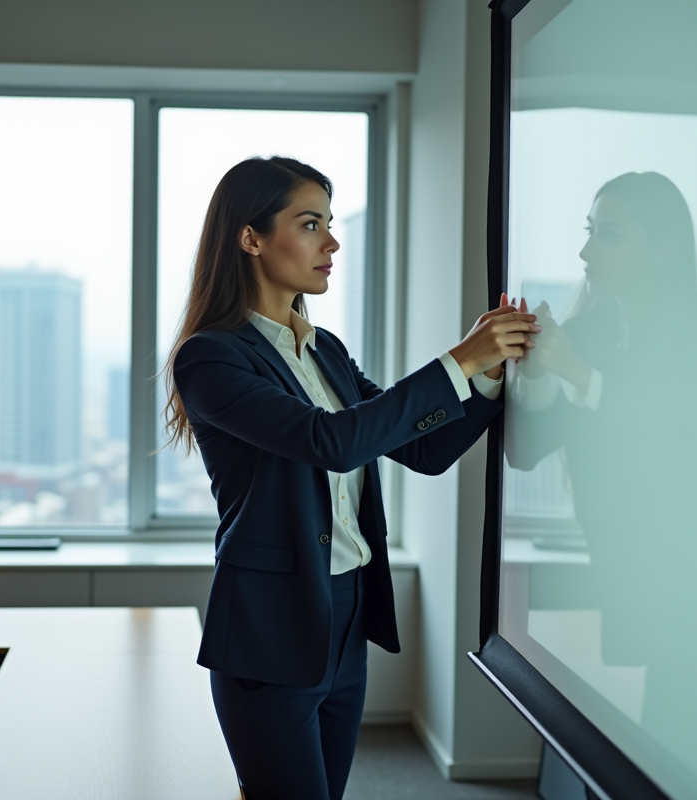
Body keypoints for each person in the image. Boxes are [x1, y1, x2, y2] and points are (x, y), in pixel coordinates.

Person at [163, 156, 539, 800]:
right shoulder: (211, 357)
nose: (332, 242)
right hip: (269, 631)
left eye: (329, 224)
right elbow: (331, 443)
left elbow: (421, 450)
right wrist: (456, 358)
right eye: (310, 224)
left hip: (345, 614)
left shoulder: (325, 349)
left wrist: (486, 377)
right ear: (250, 238)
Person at [506, 172, 697, 784]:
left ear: (665, 249)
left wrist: (575, 372)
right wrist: (537, 369)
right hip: (639, 589)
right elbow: (527, 449)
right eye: (590, 233)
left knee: (674, 768)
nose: (587, 252)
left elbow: (660, 445)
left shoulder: (688, 347)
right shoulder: (592, 334)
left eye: (610, 236)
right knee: (626, 765)